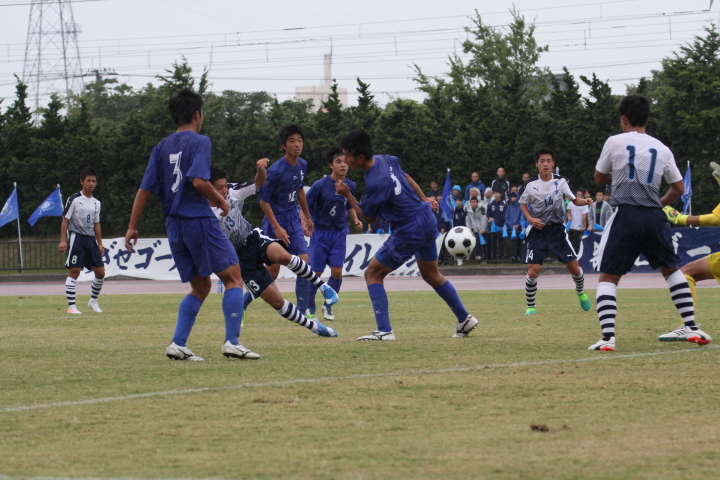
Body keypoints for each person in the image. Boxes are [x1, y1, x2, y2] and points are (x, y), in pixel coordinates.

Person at [125, 88, 255, 361]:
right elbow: (197, 181)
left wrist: (132, 226)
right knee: (234, 279)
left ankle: (178, 343)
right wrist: (220, 200)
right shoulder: (200, 141)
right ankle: (232, 341)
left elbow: (144, 190)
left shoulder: (161, 147)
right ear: (197, 114)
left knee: (200, 286)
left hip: (174, 226)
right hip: (197, 219)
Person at [589, 93, 711, 351]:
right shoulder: (662, 148)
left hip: (627, 214)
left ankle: (608, 337)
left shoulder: (615, 141)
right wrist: (659, 204)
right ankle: (690, 325)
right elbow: (678, 187)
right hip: (654, 217)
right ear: (647, 119)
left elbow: (599, 178)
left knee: (608, 278)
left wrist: (620, 173)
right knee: (671, 270)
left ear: (624, 119)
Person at [334, 129, 478, 341]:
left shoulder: (375, 182)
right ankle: (464, 318)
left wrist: (348, 195)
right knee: (431, 274)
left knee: (372, 273)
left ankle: (384, 331)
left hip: (409, 229)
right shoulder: (386, 159)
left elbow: (369, 218)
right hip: (426, 218)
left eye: (347, 154)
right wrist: (425, 199)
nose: (345, 159)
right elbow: (406, 177)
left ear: (360, 157)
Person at [209, 164, 338, 338]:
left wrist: (261, 169)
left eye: (225, 186)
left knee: (283, 255)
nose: (224, 190)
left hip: (253, 239)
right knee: (276, 301)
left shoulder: (233, 191)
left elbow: (258, 183)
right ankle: (314, 327)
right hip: (239, 258)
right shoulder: (203, 214)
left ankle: (323, 287)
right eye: (219, 188)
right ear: (208, 189)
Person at [519, 147, 593, 315]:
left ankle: (580, 292)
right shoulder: (530, 184)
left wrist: (585, 201)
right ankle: (531, 306)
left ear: (553, 164)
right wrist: (530, 219)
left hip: (557, 231)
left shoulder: (561, 182)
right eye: (542, 161)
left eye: (549, 161)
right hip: (537, 231)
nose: (546, 164)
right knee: (533, 271)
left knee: (574, 268)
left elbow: (574, 200)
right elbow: (523, 204)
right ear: (536, 164)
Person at [259, 123, 314, 316]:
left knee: (304, 265)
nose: (297, 144)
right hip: (275, 221)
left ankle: (303, 310)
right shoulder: (275, 171)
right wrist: (277, 227)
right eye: (292, 141)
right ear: (284, 145)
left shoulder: (303, 165)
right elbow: (263, 202)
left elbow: (299, 190)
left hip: (293, 218)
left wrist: (307, 216)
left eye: (300, 140)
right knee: (271, 273)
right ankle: (243, 303)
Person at [305, 145, 363, 321]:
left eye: (345, 162)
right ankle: (309, 307)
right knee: (315, 274)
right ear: (331, 165)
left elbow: (348, 205)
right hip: (320, 233)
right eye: (339, 162)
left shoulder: (350, 185)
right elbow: (304, 204)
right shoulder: (320, 185)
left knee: (337, 272)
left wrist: (355, 219)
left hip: (339, 233)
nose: (343, 165)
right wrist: (305, 221)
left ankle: (328, 305)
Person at [59, 167, 105, 314]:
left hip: (91, 240)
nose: (91, 183)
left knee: (101, 272)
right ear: (82, 182)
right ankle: (71, 307)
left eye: (94, 181)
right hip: (77, 237)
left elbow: (96, 224)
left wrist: (100, 243)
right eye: (88, 181)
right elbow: (65, 220)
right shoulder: (74, 200)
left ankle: (93, 301)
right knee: (74, 271)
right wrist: (63, 240)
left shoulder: (97, 203)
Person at [464, 196, 487, 260]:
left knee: (481, 243)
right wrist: (469, 230)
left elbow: (483, 219)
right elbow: (468, 221)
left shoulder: (481, 209)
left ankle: (481, 256)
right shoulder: (468, 210)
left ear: (477, 203)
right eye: (472, 202)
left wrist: (482, 229)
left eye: (474, 202)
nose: (473, 203)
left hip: (481, 230)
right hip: (473, 230)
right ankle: (470, 255)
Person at [566, 190, 588, 254]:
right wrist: (569, 216)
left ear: (583, 196)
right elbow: (568, 212)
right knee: (571, 243)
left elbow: (584, 216)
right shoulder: (571, 203)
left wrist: (584, 226)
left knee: (578, 244)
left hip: (579, 228)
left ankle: (577, 256)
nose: (579, 196)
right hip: (571, 226)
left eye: (580, 195)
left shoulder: (584, 204)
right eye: (578, 195)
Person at [487, 190, 507, 261]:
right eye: (495, 193)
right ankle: (494, 258)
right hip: (493, 227)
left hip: (501, 226)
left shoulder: (504, 203)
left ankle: (501, 257)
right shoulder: (490, 203)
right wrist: (489, 218)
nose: (496, 195)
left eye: (497, 193)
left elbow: (506, 214)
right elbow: (488, 214)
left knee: (501, 243)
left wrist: (504, 225)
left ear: (500, 194)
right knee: (493, 243)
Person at [506, 191, 523, 262]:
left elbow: (522, 216)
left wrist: (518, 224)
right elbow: (507, 217)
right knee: (512, 243)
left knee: (520, 243)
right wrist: (510, 225)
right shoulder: (509, 206)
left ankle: (520, 256)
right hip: (512, 228)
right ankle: (513, 256)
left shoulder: (521, 206)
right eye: (512, 197)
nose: (513, 198)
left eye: (514, 197)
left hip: (519, 228)